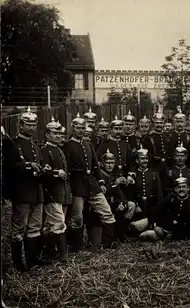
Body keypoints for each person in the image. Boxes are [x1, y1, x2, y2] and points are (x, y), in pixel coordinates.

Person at [64, 113, 117, 252]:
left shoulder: (88, 145)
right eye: (78, 128)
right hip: (77, 185)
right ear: (73, 128)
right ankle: (76, 246)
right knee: (77, 218)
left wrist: (100, 181)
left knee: (106, 212)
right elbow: (67, 167)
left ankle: (108, 243)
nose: (81, 130)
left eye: (83, 128)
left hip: (91, 184)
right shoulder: (68, 145)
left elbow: (95, 166)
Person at [10, 107, 49, 271]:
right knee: (19, 227)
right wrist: (28, 165)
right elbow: (10, 167)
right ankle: (18, 265)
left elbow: (37, 165)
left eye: (34, 124)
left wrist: (43, 168)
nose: (32, 127)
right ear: (21, 125)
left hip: (36, 191)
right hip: (22, 191)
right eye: (28, 124)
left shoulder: (35, 145)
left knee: (34, 227)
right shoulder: (13, 144)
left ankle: (32, 260)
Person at [140, 177, 190, 241]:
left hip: (185, 233)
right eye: (179, 187)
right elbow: (158, 211)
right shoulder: (171, 198)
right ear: (175, 189)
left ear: (188, 188)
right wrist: (156, 225)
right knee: (144, 235)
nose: (181, 189)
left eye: (184, 187)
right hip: (168, 229)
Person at [40, 118, 70, 262]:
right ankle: (62, 254)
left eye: (59, 133)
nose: (58, 136)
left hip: (62, 191)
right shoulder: (45, 150)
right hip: (51, 191)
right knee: (58, 222)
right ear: (47, 134)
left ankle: (48, 253)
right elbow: (43, 171)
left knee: (52, 224)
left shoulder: (59, 149)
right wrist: (56, 173)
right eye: (54, 133)